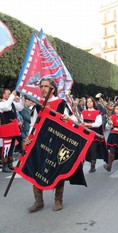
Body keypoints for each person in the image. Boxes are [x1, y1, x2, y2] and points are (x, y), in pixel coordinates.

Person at [27, 78, 86, 213]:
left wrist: (68, 119)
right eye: (41, 86)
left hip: (58, 142)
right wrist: (28, 139)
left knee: (57, 170)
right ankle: (38, 201)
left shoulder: (61, 104)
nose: (43, 89)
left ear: (52, 89)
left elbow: (75, 120)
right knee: (37, 168)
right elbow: (32, 124)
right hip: (40, 142)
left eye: (46, 86)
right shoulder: (38, 105)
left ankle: (58, 200)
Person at [0, 89, 24, 172]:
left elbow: (20, 107)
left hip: (12, 128)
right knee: (6, 146)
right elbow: (6, 107)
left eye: (11, 94)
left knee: (11, 146)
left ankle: (10, 163)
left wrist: (22, 98)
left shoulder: (11, 103)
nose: (10, 95)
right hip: (6, 128)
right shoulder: (2, 103)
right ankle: (4, 164)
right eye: (8, 94)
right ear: (3, 95)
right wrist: (13, 96)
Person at [82, 96, 108, 172]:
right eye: (87, 102)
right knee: (83, 150)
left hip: (93, 134)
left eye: (90, 101)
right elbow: (81, 122)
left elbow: (98, 124)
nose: (89, 103)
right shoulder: (83, 112)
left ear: (93, 102)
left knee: (93, 150)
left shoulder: (97, 112)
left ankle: (93, 166)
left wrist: (87, 124)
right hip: (85, 134)